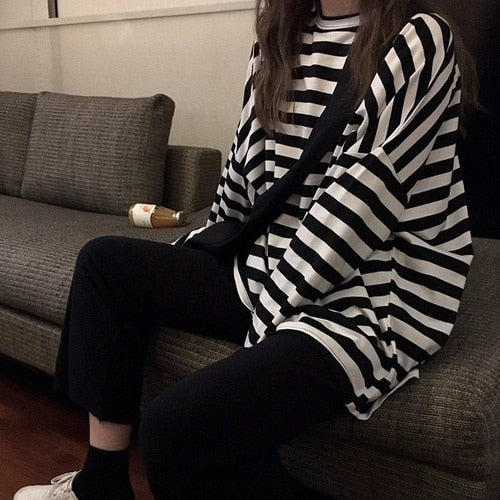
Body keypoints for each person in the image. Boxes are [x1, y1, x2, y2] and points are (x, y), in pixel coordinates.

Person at [14, 0, 478, 498]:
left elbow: (357, 211)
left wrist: (263, 330)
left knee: (175, 431)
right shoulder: (279, 39)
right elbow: (243, 184)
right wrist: (195, 256)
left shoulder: (419, 40)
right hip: (271, 266)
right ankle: (100, 486)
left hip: (367, 297)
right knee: (105, 264)